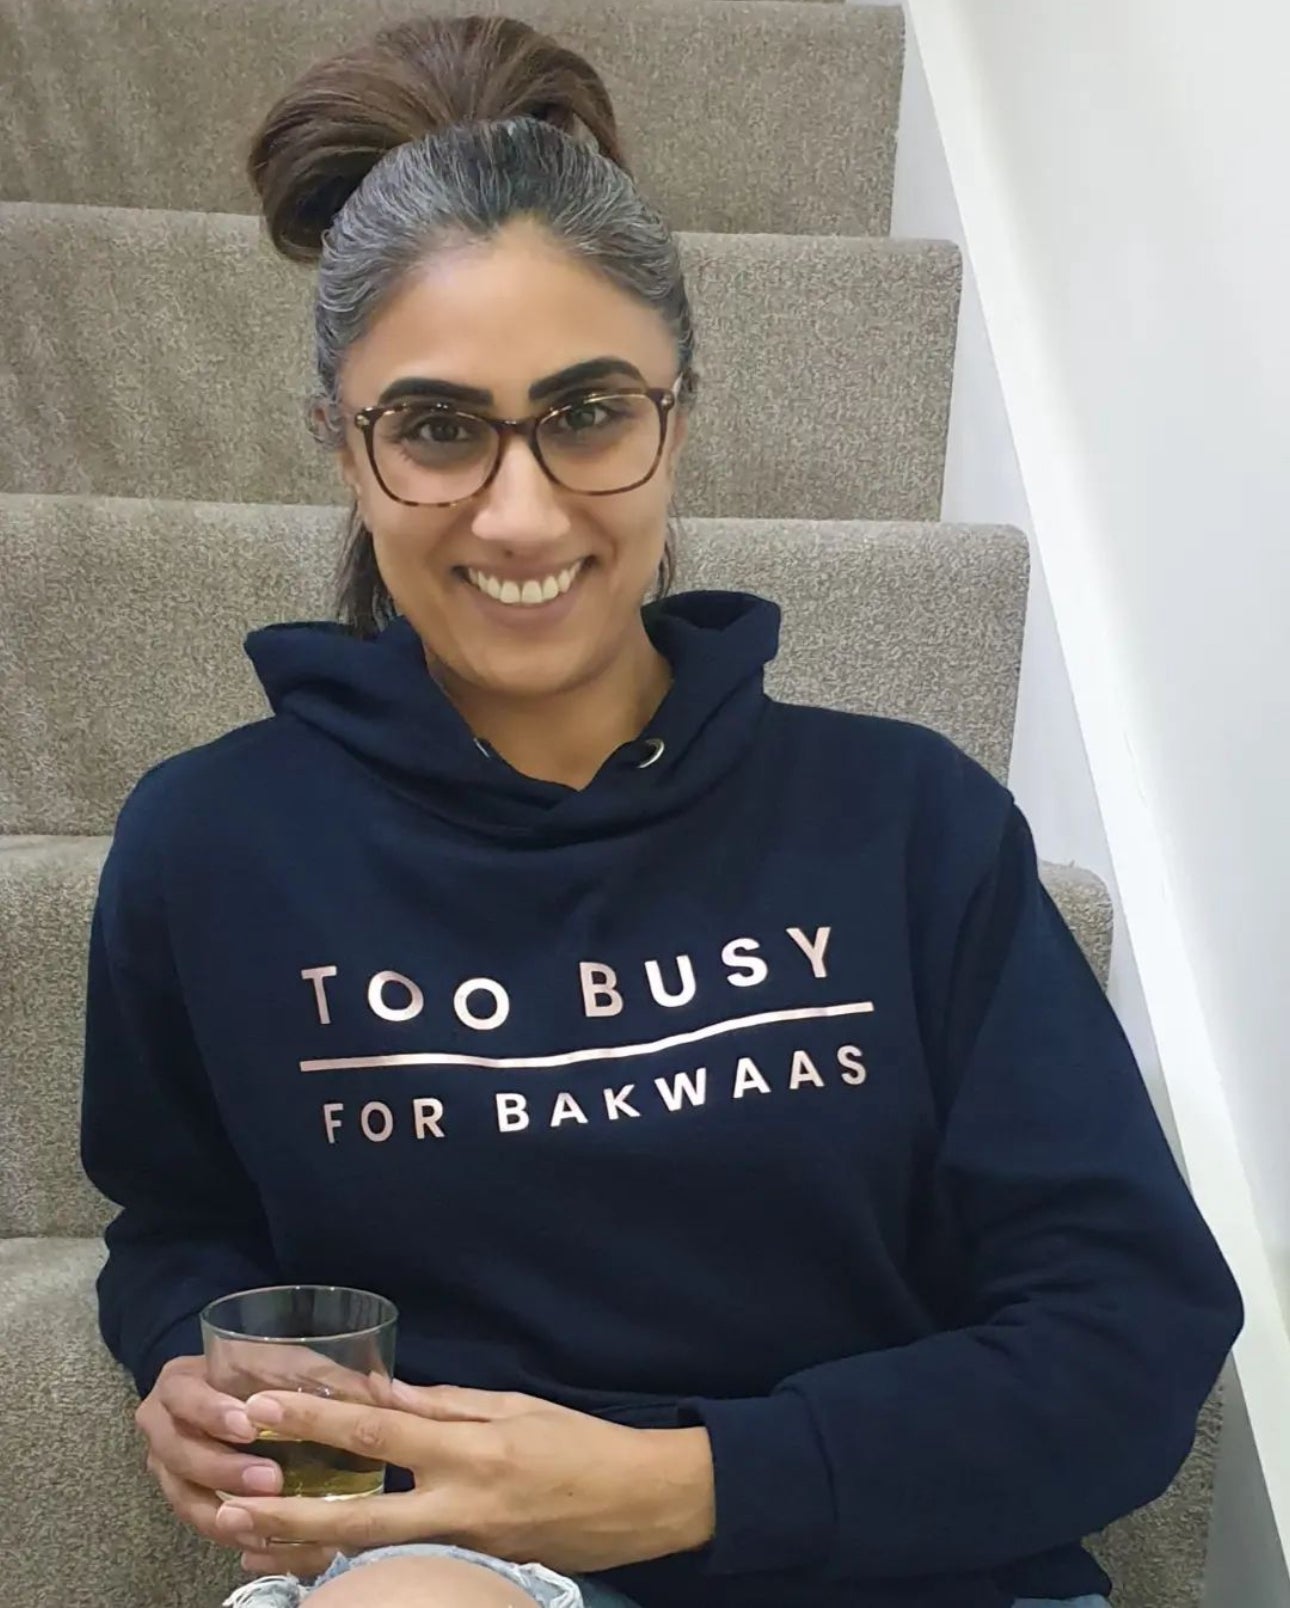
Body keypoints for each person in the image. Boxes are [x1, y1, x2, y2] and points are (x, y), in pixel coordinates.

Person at [78, 14, 1243, 1608]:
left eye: (587, 413)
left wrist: (672, 1486)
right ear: (342, 450)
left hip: (908, 1562)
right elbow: (180, 1226)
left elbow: (1126, 1341)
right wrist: (182, 1356)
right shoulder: (209, 849)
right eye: (435, 429)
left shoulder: (908, 823)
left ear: (674, 422)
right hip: (464, 1565)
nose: (520, 510)